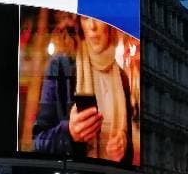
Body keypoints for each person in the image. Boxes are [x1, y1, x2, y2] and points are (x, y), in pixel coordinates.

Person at [31, 15, 133, 163]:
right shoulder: (61, 66)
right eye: (85, 18)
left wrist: (124, 146)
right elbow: (38, 141)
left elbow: (129, 149)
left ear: (110, 24)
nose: (92, 26)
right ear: (80, 24)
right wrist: (69, 133)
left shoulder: (122, 77)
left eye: (99, 18)